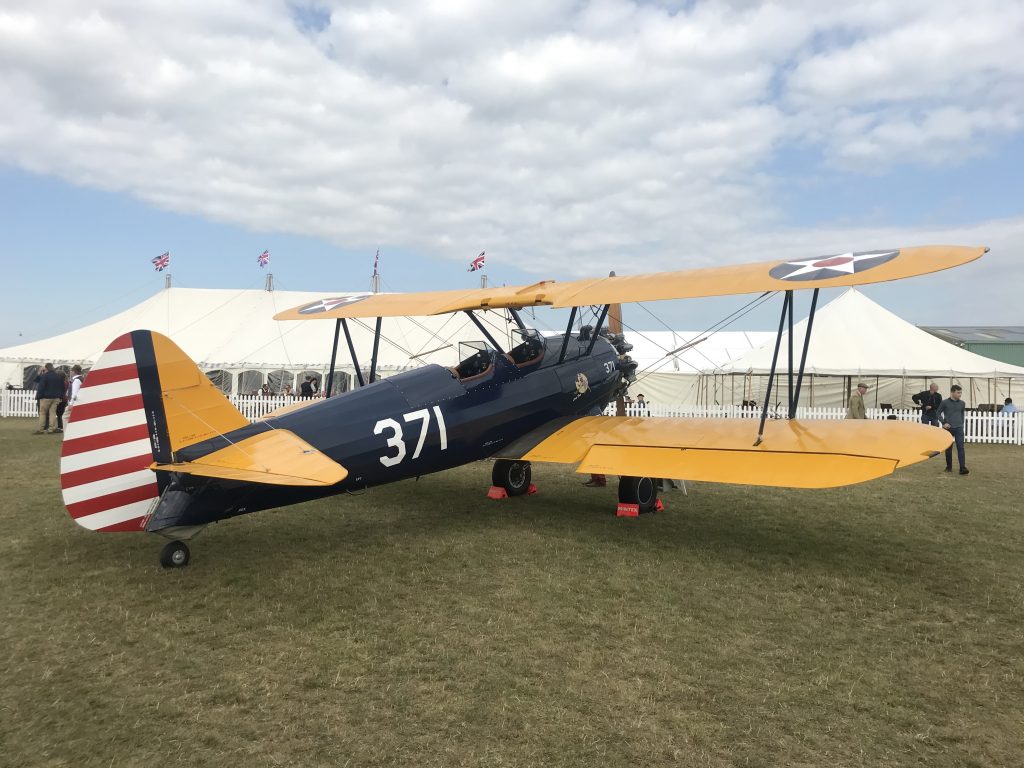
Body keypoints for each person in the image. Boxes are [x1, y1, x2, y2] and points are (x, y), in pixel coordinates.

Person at [938, 384, 968, 475]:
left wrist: (961, 424)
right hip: (948, 429)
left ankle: (962, 468)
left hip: (959, 428)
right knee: (948, 449)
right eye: (958, 392)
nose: (960, 394)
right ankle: (949, 467)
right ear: (952, 392)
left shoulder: (962, 403)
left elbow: (962, 414)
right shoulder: (944, 402)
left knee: (961, 448)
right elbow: (938, 413)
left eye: (961, 393)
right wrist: (943, 423)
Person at [34, 363, 65, 434]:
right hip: (56, 398)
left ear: (46, 368)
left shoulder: (44, 376)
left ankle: (41, 429)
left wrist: (39, 396)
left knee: (42, 413)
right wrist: (60, 397)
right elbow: (62, 387)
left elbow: (39, 384)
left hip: (45, 398)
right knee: (53, 413)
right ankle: (51, 429)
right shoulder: (59, 376)